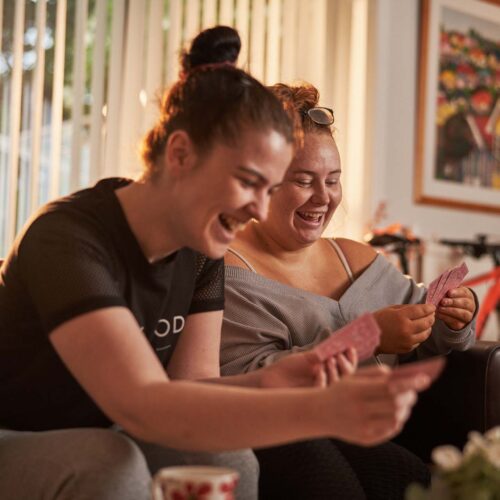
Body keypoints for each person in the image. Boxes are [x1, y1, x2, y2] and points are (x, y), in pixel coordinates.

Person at [0, 28, 429, 500]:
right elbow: (143, 405)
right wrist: (322, 412)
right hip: (19, 435)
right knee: (111, 464)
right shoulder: (68, 238)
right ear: (180, 154)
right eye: (248, 182)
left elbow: (196, 386)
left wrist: (275, 381)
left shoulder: (202, 249)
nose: (260, 211)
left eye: (268, 189)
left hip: (115, 427)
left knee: (228, 455)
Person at [220, 82, 477, 499]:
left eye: (333, 180)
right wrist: (365, 338)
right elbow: (246, 384)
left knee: (418, 478)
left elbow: (426, 336)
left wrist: (453, 316)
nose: (323, 197)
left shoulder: (353, 257)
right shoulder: (229, 270)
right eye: (304, 180)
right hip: (284, 438)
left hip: (368, 436)